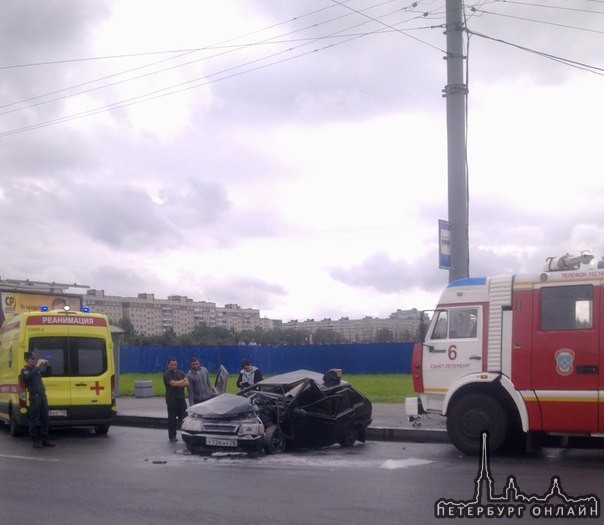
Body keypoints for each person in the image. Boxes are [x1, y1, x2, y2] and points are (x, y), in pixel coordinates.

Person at [20, 352, 55, 448]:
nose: (34, 360)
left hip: (42, 395)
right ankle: (35, 440)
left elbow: (48, 374)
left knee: (45, 418)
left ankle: (45, 439)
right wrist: (38, 365)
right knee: (34, 419)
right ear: (26, 360)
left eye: (34, 358)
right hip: (34, 397)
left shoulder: (36, 370)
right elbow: (27, 377)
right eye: (31, 358)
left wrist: (48, 366)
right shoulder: (25, 370)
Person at [163, 358, 188, 443]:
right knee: (172, 419)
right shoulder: (166, 374)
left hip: (181, 399)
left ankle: (187, 436)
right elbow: (172, 384)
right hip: (171, 400)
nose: (174, 366)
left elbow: (187, 383)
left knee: (185, 418)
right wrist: (181, 382)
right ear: (168, 365)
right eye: (172, 365)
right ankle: (172, 436)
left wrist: (178, 383)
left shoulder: (181, 372)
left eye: (175, 365)